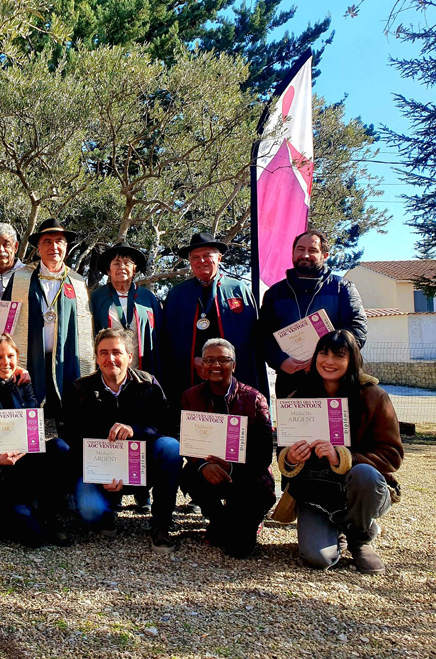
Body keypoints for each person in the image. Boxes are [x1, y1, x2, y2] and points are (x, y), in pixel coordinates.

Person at [278, 330, 402, 575]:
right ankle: (336, 529)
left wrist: (344, 458)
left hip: (359, 487)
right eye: (323, 354)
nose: (329, 361)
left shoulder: (374, 397)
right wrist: (291, 458)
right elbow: (283, 450)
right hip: (315, 490)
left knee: (365, 474)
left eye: (338, 355)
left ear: (352, 360)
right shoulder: (299, 397)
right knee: (318, 559)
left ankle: (359, 537)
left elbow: (392, 456)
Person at [65, 328, 182, 553]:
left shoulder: (149, 384)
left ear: (130, 356)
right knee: (91, 514)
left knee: (170, 447)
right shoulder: (80, 389)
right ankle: (106, 511)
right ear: (96, 358)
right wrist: (100, 474)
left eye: (117, 352)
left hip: (142, 468)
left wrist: (134, 430)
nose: (110, 359)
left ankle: (161, 524)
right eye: (103, 353)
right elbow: (70, 435)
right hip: (99, 471)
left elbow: (167, 427)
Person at [0, 333, 72, 547]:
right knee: (33, 538)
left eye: (10, 356)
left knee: (59, 447)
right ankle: (12, 513)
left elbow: (36, 424)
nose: (5, 362)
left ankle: (50, 514)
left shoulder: (23, 382)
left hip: (25, 459)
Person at [179, 338, 276, 558]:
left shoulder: (254, 399)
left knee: (239, 549)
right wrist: (203, 465)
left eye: (223, 360)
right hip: (209, 470)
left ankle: (247, 520)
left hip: (248, 476)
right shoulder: (190, 397)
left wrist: (231, 468)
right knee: (188, 475)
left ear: (234, 365)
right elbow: (185, 441)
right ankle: (219, 519)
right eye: (209, 360)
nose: (216, 365)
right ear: (202, 366)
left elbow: (263, 455)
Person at [2, 218, 94, 423]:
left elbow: (86, 328)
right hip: (31, 360)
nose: (54, 247)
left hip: (66, 360)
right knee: (30, 415)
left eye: (59, 241)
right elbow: (5, 322)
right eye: (47, 242)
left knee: (68, 417)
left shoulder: (77, 282)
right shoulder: (21, 278)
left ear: (66, 247)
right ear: (39, 247)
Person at [260, 230, 368, 399]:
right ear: (293, 253)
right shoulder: (275, 293)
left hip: (335, 379)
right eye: (300, 249)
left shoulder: (343, 288)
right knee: (294, 426)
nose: (305, 255)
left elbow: (357, 330)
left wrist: (326, 360)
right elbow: (263, 336)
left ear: (324, 255)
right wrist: (280, 361)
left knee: (337, 425)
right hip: (290, 379)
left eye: (312, 250)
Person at [162, 232, 264, 399]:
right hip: (191, 374)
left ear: (219, 258)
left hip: (234, 374)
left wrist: (226, 363)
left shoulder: (239, 289)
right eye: (195, 257)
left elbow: (253, 336)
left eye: (207, 255)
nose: (201, 261)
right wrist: (192, 360)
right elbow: (169, 339)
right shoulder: (177, 294)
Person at [90, 241, 162, 377]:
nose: (122, 267)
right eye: (116, 263)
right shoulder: (96, 298)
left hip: (142, 370)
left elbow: (159, 335)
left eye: (127, 263)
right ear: (108, 270)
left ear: (134, 269)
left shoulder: (147, 298)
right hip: (107, 369)